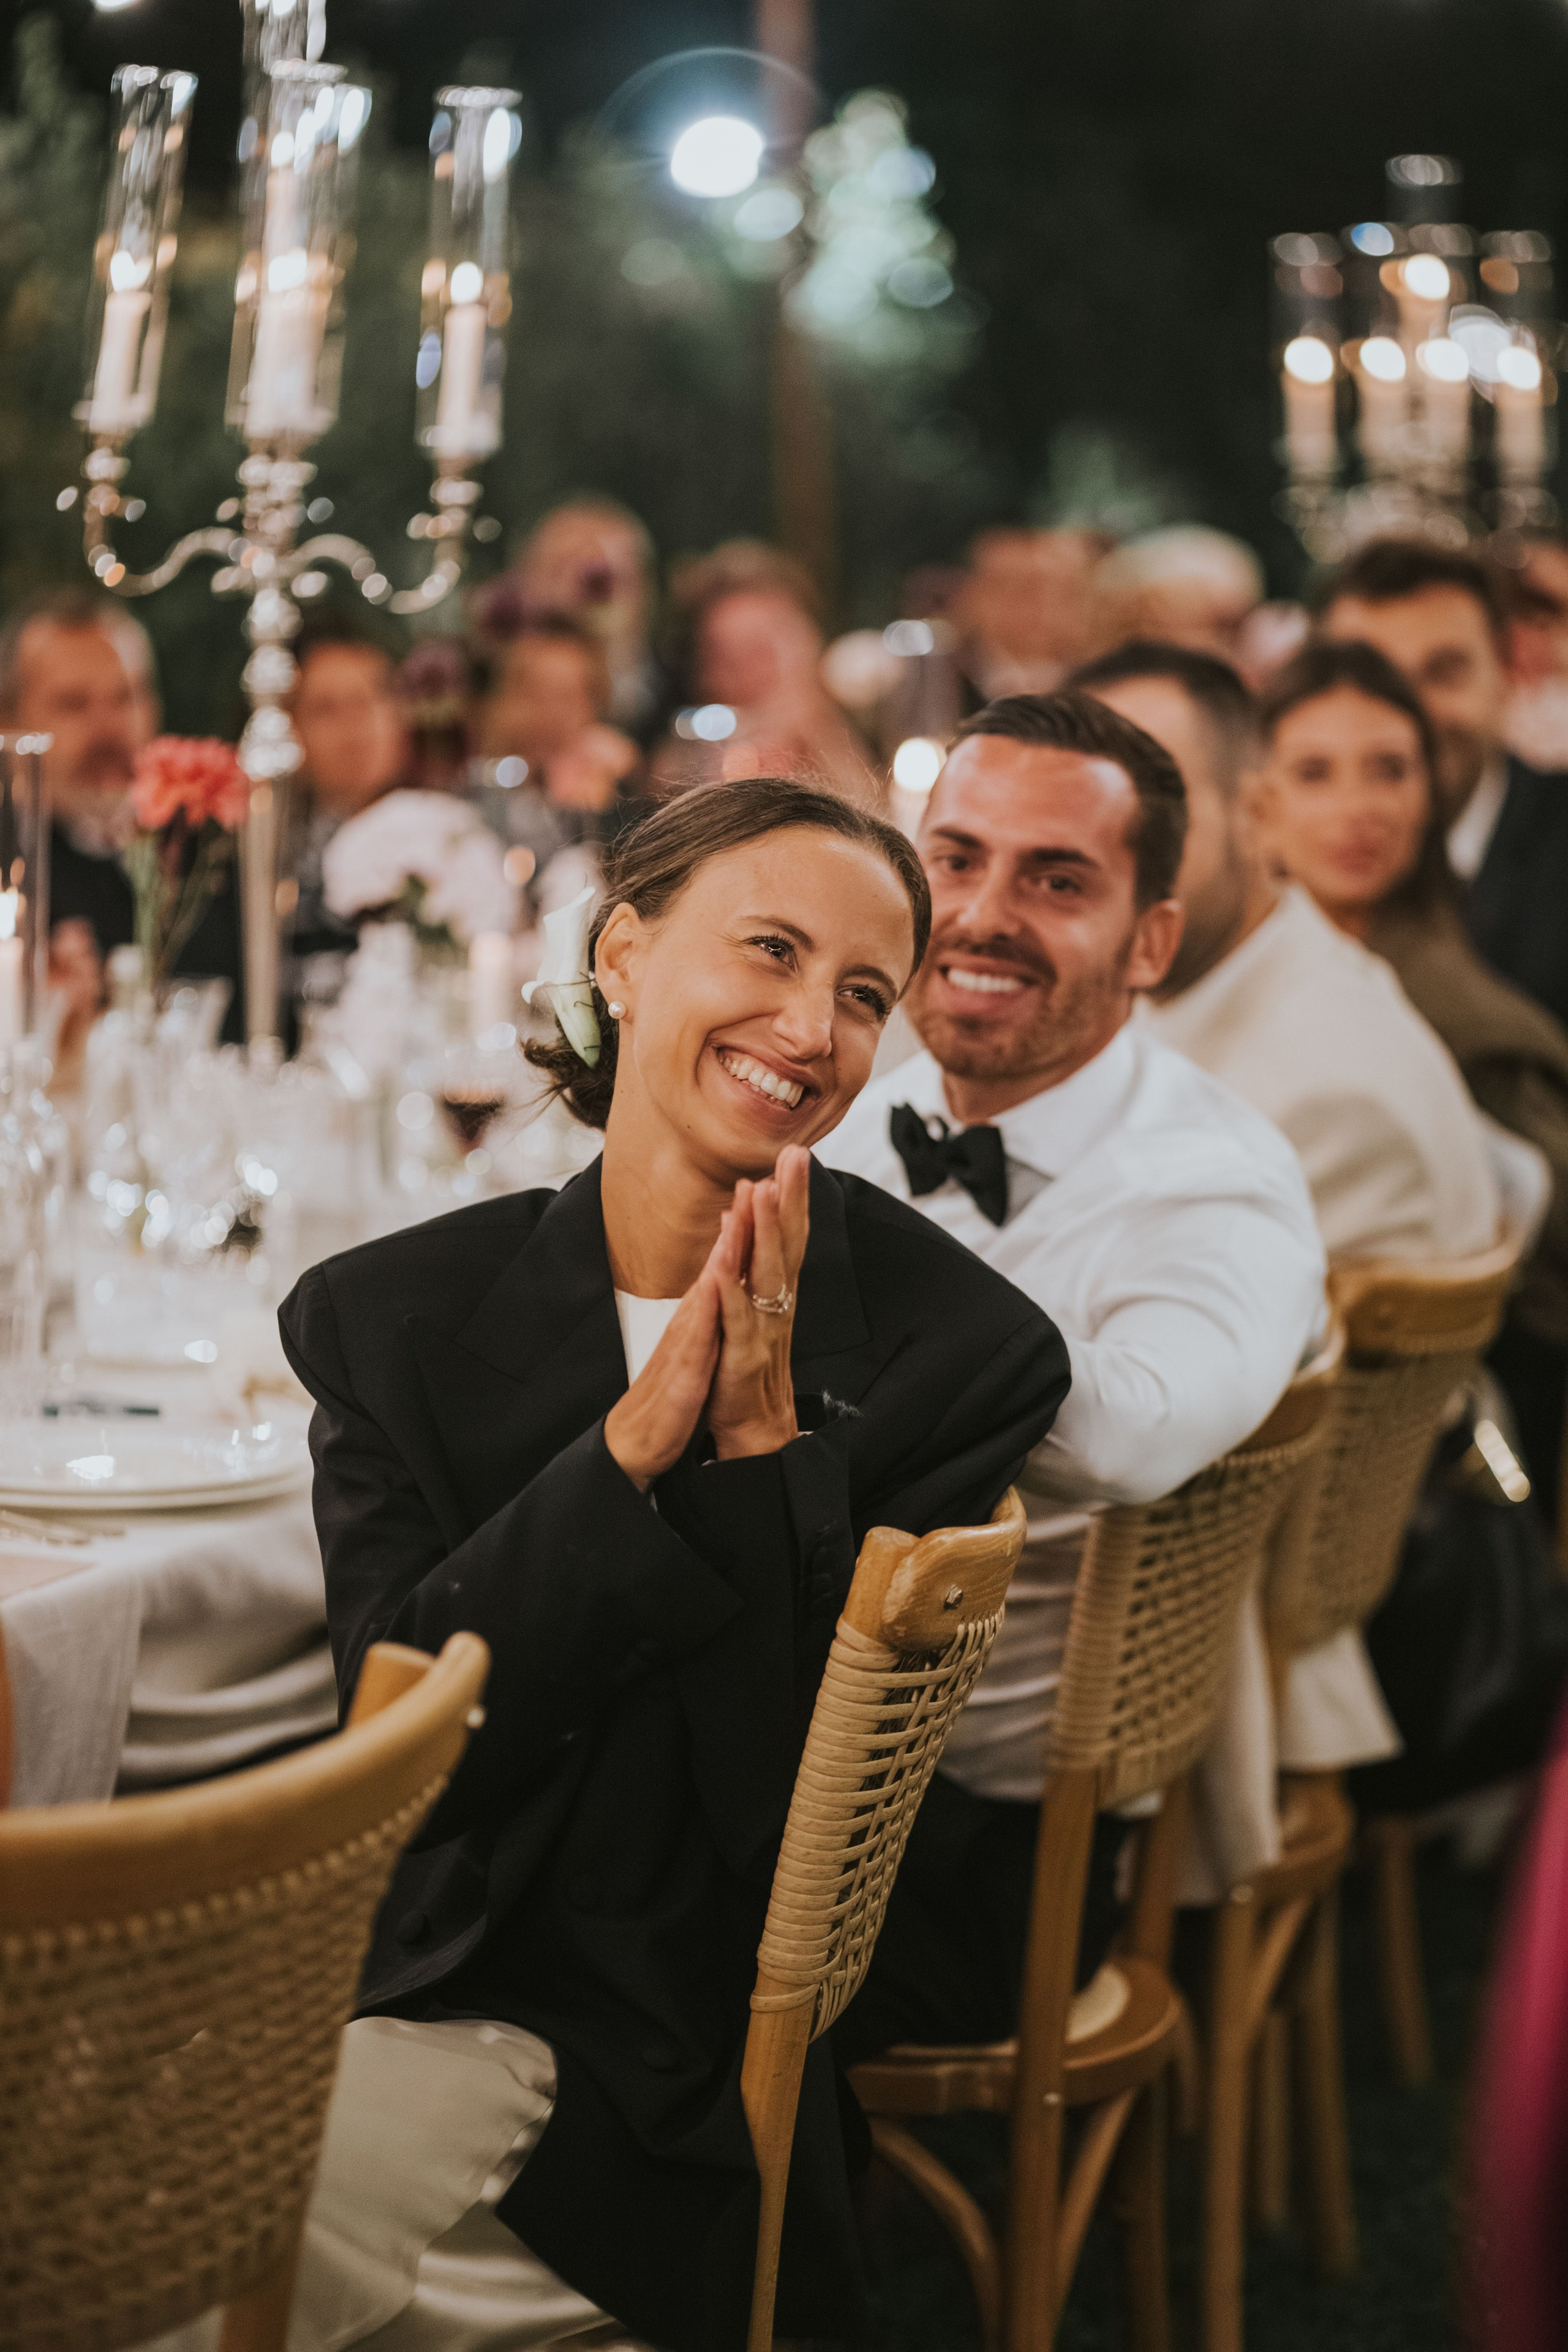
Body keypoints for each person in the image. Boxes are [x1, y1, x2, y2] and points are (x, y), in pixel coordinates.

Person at [277, 777, 1070, 2351]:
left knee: (218, 2205)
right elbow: (394, 1757)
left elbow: (784, 1826)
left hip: (665, 2025)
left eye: (860, 995)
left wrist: (761, 1457)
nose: (808, 1024)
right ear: (623, 954)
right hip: (423, 1948)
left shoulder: (958, 1351)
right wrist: (627, 1453)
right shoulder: (386, 1318)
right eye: (765, 949)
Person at [818, 692, 1325, 2050]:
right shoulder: (864, 1105)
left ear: (1149, 938)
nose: (981, 916)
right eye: (955, 860)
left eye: (1055, 880)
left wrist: (820, 1284)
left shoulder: (1215, 1185)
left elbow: (1130, 1436)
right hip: (774, 1726)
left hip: (966, 1842)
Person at [1254, 637, 1568, 1518]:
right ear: (1259, 802)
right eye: (1316, 772)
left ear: (1429, 796)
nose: (1358, 808)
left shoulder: (1464, 1023)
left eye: (1388, 770)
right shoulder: (1236, 978)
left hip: (1409, 1462)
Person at [1072, 638, 1501, 1264]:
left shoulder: (1322, 1103)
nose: (1088, 859)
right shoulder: (1202, 984)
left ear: (1256, 812)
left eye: (1146, 814)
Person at [1315, 535, 1568, 1040]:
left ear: (1507, 674)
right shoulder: (1292, 864)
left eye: (1444, 673)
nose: (1415, 714)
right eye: (1376, 679)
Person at [0, 589, 244, 1044]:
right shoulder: (9, 872)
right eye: (74, 703)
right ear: (10, 721)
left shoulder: (216, 849)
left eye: (127, 696)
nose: (109, 726)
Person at [654, 542, 876, 802]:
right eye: (729, 654)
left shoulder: (869, 720)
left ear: (812, 641)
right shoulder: (684, 758)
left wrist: (820, 736)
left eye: (765, 645)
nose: (751, 668)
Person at [285, 622, 412, 979]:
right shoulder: (270, 866)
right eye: (326, 709)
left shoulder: (446, 833)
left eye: (367, 701)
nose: (353, 725)